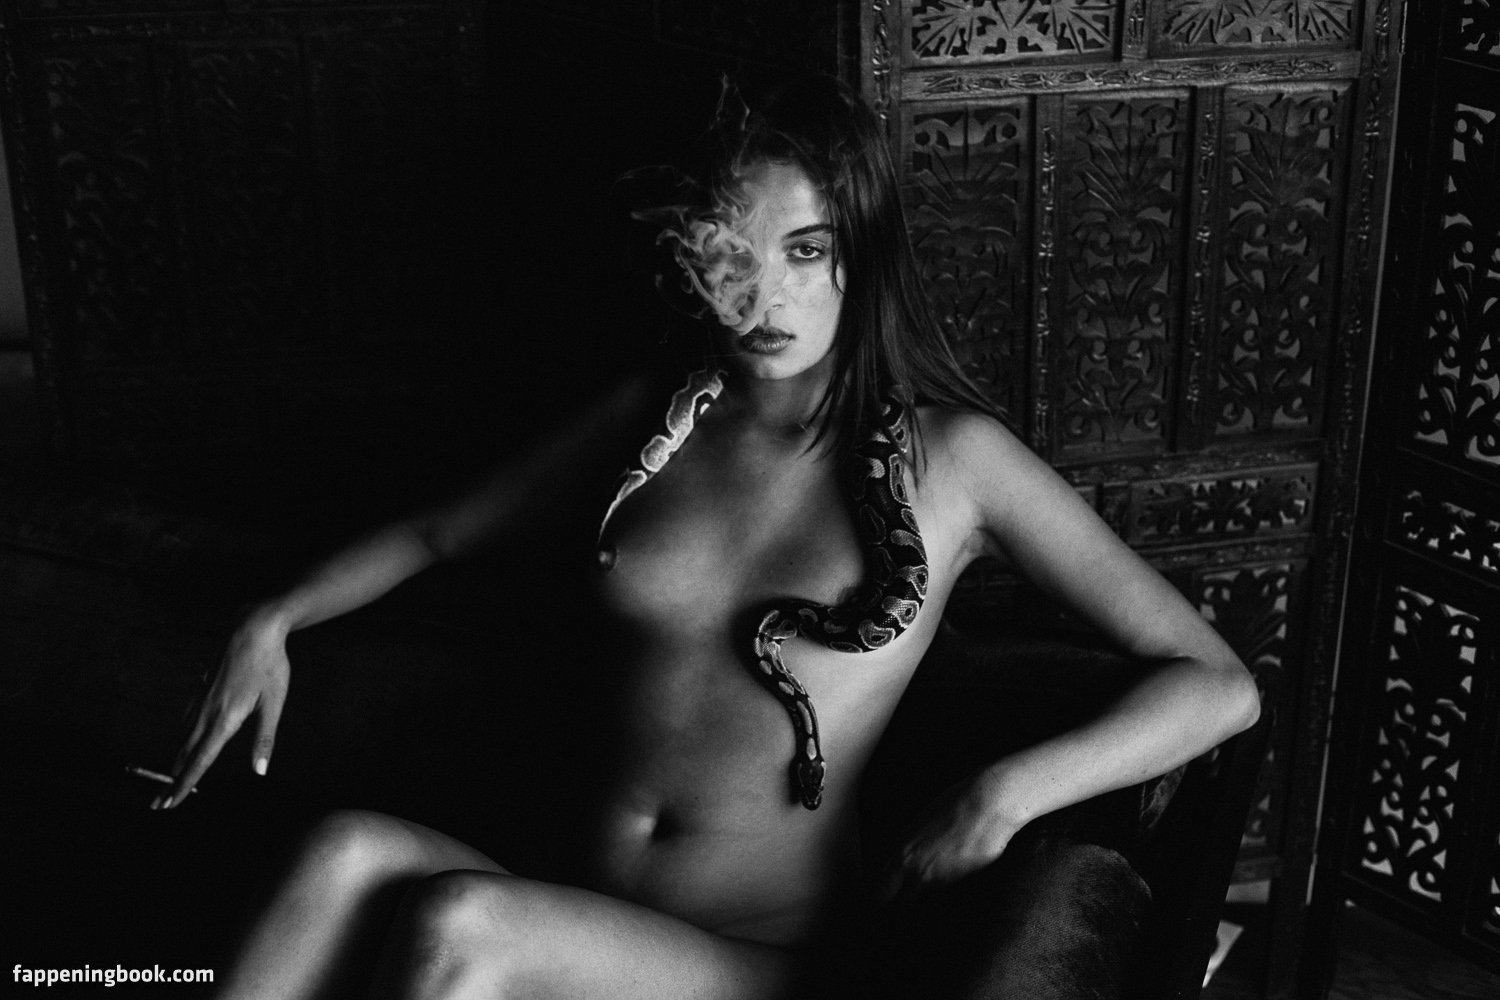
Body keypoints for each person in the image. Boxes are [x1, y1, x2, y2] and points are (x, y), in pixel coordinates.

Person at [159, 76, 1260, 999]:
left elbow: (1217, 685)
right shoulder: (653, 421)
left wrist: (1002, 796)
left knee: (461, 924)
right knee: (339, 851)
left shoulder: (956, 462)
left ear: (862, 255)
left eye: (807, 250)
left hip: (756, 957)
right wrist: (274, 617)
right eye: (738, 250)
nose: (766, 293)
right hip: (570, 897)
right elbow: (434, 530)